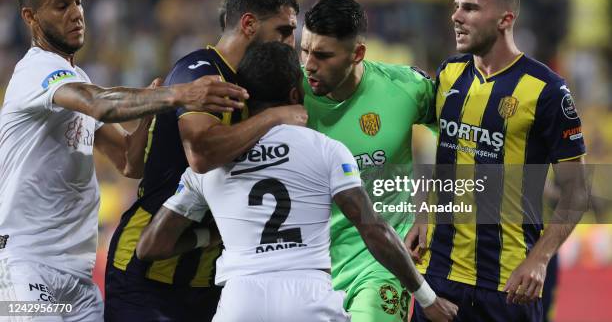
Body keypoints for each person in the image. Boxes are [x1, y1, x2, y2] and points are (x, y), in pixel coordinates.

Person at [135, 41, 458, 322]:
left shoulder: (209, 166)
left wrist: (210, 235)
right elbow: (373, 229)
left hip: (239, 301)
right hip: (308, 298)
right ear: (295, 92)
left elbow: (150, 247)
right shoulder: (326, 150)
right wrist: (428, 299)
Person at [0, 0, 247, 321]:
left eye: (78, 2)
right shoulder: (36, 72)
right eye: (61, 6)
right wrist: (180, 94)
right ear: (30, 17)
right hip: (25, 268)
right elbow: (99, 102)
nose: (76, 14)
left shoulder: (75, 79)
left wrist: (150, 113)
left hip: (77, 276)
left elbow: (130, 163)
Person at [104, 0, 306, 321]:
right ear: (248, 24)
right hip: (145, 274)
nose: (290, 43)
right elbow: (202, 155)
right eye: (284, 31)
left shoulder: (258, 84)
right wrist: (272, 117)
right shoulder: (198, 72)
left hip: (207, 277)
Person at [407, 0, 588, 322]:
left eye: (470, 8)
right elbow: (445, 157)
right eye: (456, 7)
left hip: (508, 283)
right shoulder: (449, 74)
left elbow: (576, 191)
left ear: (505, 19)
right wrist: (422, 211)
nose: (456, 16)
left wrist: (539, 259)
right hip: (438, 275)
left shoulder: (547, 90)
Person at [300, 0, 436, 321]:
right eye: (303, 50)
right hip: (307, 267)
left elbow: (456, 141)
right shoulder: (287, 94)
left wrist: (426, 209)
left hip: (382, 264)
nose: (308, 64)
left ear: (357, 53)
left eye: (322, 55)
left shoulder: (406, 88)